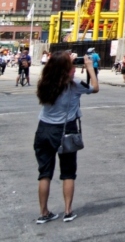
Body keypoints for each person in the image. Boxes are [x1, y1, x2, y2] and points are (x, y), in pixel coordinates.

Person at [34, 51, 99, 223]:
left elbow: (56, 71)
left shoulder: (45, 82)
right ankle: (68, 211)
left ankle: (43, 213)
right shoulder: (73, 84)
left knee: (45, 173)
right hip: (65, 129)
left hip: (43, 129)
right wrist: (90, 68)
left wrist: (63, 62)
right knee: (68, 172)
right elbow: (95, 88)